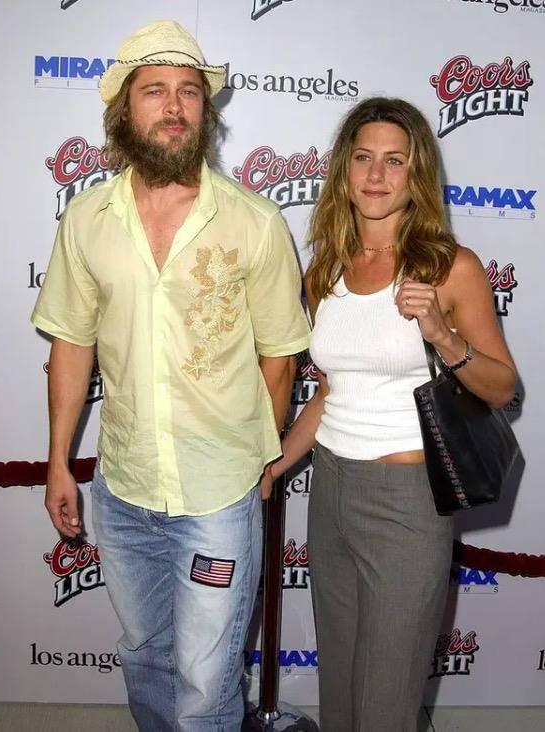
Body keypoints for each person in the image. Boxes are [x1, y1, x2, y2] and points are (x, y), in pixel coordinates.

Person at [31, 20, 310, 732]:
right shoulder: (87, 220)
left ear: (205, 111)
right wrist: (59, 461)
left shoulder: (255, 221)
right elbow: (71, 344)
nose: (175, 105)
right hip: (123, 488)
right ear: (124, 110)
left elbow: (280, 357)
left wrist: (262, 460)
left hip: (218, 494)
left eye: (189, 91)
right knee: (145, 657)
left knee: (206, 683)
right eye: (155, 90)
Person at [262, 97, 517, 731]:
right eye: (363, 158)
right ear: (344, 170)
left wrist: (443, 336)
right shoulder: (324, 269)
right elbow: (330, 393)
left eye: (394, 161)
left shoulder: (450, 268)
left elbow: (502, 387)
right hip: (331, 491)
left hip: (407, 501)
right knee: (341, 687)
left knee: (386, 700)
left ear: (416, 174)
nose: (376, 175)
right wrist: (274, 464)